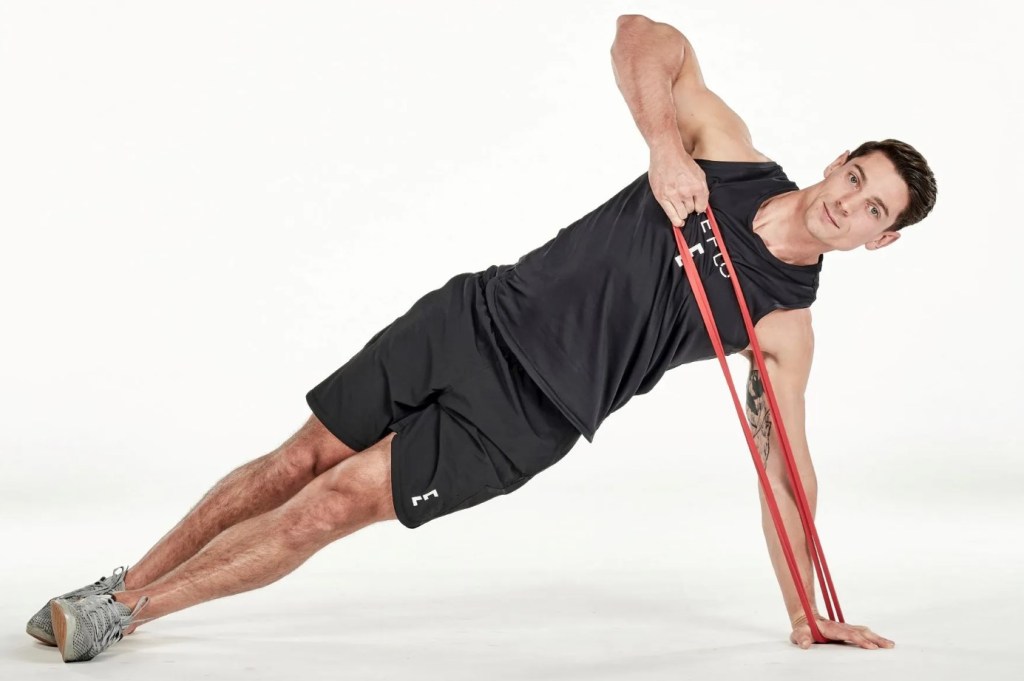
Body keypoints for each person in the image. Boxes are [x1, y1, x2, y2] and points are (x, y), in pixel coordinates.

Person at [28, 14, 935, 662]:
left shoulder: (781, 321)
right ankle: (111, 585)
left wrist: (807, 612)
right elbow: (644, 34)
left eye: (871, 209)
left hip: (522, 417)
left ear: (879, 239)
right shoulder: (727, 156)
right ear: (836, 161)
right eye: (854, 176)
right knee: (291, 462)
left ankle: (129, 613)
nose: (845, 203)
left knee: (330, 502)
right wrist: (664, 144)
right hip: (471, 317)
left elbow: (786, 475)